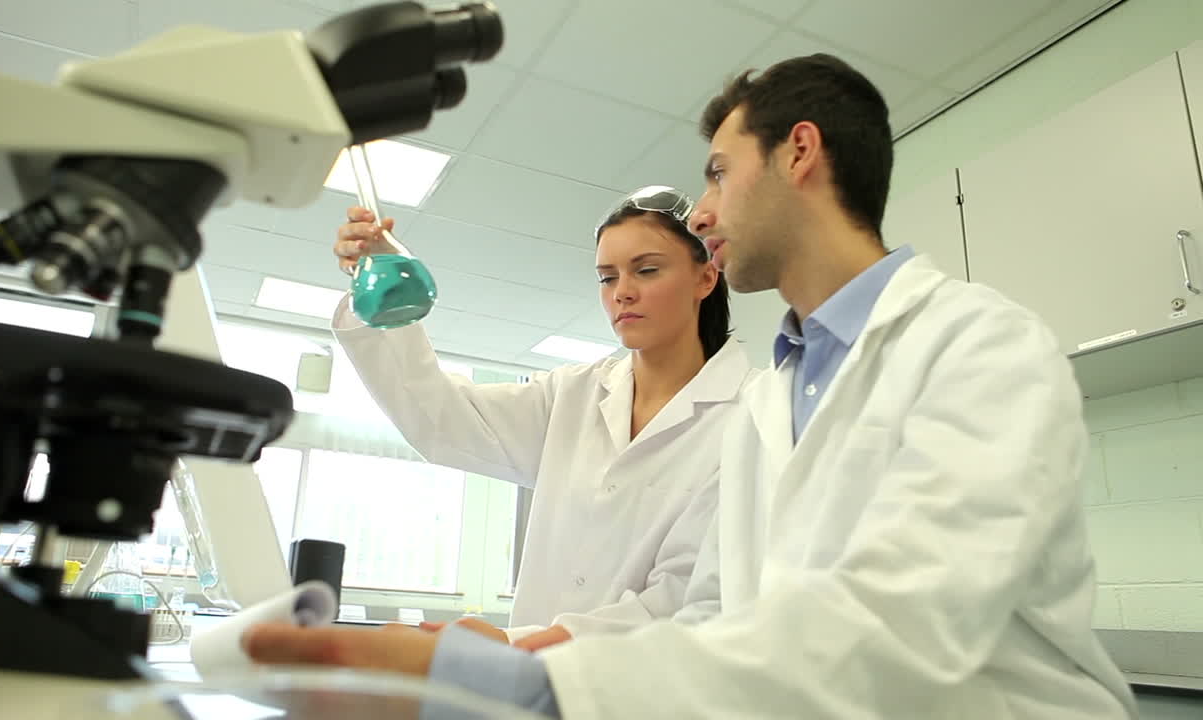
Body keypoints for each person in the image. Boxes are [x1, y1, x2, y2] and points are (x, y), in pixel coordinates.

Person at [244, 54, 1138, 719]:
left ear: (800, 153)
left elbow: (910, 627)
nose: (703, 213)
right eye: (607, 276)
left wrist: (537, 678)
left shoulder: (979, 346)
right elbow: (725, 613)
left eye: (717, 171)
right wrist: (541, 655)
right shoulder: (773, 398)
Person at [325, 185, 754, 648]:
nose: (623, 293)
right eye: (607, 278)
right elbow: (439, 419)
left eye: (646, 270)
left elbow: (689, 599)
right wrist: (384, 287)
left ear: (706, 279)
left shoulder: (750, 414)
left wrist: (516, 644)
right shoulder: (572, 395)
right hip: (527, 688)